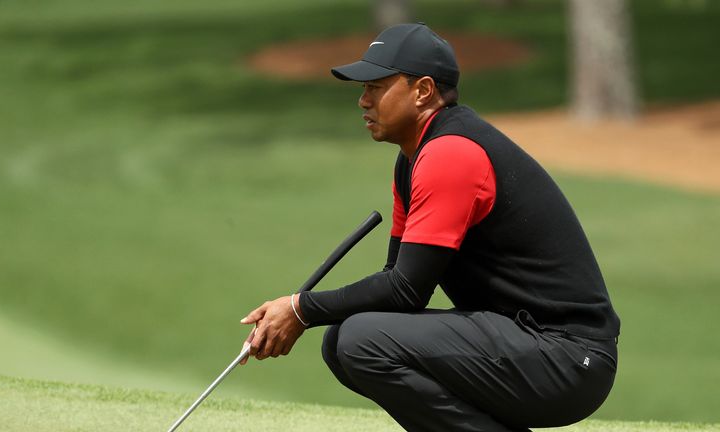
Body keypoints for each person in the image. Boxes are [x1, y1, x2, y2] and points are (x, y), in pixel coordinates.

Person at [240, 23, 620, 432]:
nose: (363, 101)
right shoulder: (414, 158)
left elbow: (405, 292)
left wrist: (300, 308)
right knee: (342, 342)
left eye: (376, 86)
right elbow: (397, 283)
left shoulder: (450, 154)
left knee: (361, 342)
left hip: (566, 357)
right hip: (533, 346)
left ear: (422, 91)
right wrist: (305, 312)